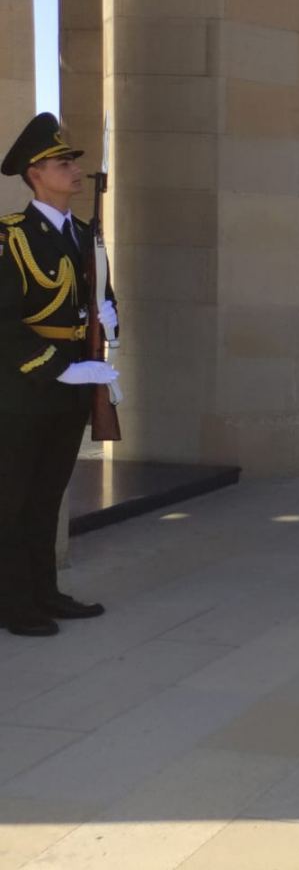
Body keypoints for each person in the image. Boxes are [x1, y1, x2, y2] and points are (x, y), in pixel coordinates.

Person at [0, 112, 115, 637]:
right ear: (35, 174)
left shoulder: (87, 235)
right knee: (13, 499)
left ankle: (45, 593)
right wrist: (64, 370)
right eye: (61, 162)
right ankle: (13, 603)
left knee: (48, 497)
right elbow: (6, 326)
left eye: (72, 161)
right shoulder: (12, 238)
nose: (73, 169)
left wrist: (111, 316)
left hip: (73, 389)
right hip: (25, 391)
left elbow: (101, 298)